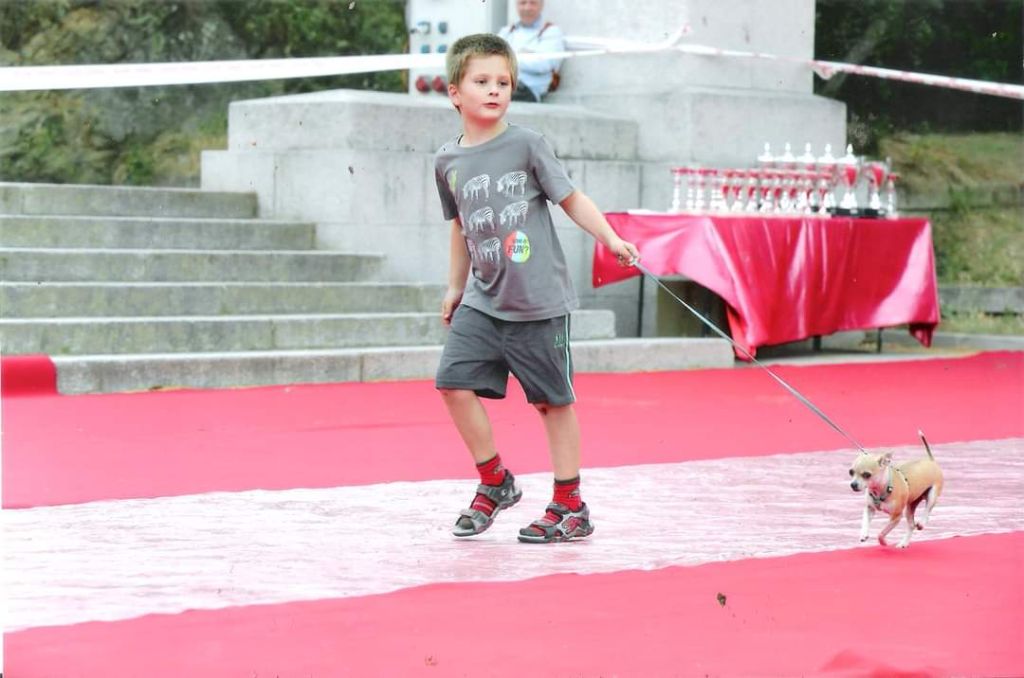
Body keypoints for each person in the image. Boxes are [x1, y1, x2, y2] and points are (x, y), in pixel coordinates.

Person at [433, 33, 640, 543]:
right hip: (483, 299)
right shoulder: (447, 161)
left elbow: (571, 198)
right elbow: (459, 226)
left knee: (552, 402)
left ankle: (570, 506)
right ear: (455, 91)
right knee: (452, 384)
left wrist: (609, 237)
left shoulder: (527, 144)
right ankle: (495, 481)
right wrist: (455, 287)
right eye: (481, 81)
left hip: (539, 302)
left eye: (502, 81)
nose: (494, 90)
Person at [497, 0, 565, 102]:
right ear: (517, 5)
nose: (527, 8)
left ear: (541, 5)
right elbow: (491, 60)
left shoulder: (551, 32)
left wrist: (507, 57)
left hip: (527, 90)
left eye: (532, 3)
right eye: (523, 3)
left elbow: (544, 64)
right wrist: (525, 55)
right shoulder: (507, 32)